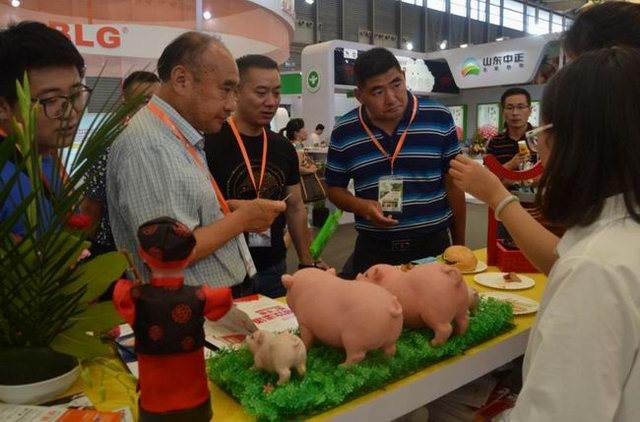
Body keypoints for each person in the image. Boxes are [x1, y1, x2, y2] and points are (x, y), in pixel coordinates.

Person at [458, 47, 640, 422]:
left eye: (541, 133)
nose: (538, 146)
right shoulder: (612, 243)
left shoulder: (593, 271)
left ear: (575, 142)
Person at [449, 1, 640, 276]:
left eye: (575, 66)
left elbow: (579, 269)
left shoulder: (600, 260)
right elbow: (565, 262)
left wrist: (497, 195)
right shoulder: (608, 212)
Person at [107, 32, 286, 290]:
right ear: (181, 80)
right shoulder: (151, 146)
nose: (231, 105)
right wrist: (241, 220)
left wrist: (224, 211)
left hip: (208, 300)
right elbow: (168, 251)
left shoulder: (175, 135)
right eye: (225, 89)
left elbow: (182, 222)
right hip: (189, 306)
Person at [325, 47, 466, 276]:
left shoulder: (438, 116)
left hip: (432, 247)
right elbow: (334, 189)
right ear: (359, 95)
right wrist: (361, 206)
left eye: (396, 84)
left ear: (404, 76)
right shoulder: (345, 130)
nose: (391, 98)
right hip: (374, 251)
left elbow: (453, 184)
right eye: (377, 91)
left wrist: (460, 246)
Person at [204, 55, 324, 299]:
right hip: (224, 269)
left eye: (276, 93)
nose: (271, 102)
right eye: (261, 92)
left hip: (273, 267)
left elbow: (295, 207)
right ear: (236, 92)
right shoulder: (210, 142)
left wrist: (306, 262)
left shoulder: (283, 147)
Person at [113, 217, 232, 421]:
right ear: (191, 254)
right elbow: (224, 300)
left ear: (141, 254)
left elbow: (120, 299)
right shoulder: (204, 296)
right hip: (196, 402)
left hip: (154, 402)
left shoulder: (131, 296)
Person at [0, 21, 88, 237]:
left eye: (76, 95)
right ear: (3, 107)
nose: (70, 112)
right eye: (50, 100)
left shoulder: (46, 154)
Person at [82, 71, 161, 257]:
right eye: (145, 101)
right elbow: (92, 205)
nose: (152, 108)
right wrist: (85, 247)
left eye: (158, 102)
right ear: (125, 101)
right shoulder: (109, 143)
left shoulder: (169, 142)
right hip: (113, 247)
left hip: (158, 247)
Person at [486, 87, 536, 176]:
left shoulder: (541, 139)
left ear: (530, 110)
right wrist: (510, 165)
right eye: (510, 108)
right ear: (503, 112)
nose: (515, 113)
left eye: (520, 107)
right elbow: (486, 176)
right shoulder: (495, 142)